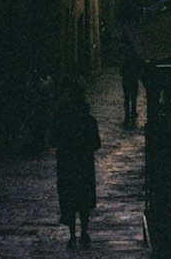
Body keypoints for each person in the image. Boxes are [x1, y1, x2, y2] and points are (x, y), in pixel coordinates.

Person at [52, 81, 101, 247]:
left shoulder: (61, 120)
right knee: (84, 200)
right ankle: (84, 232)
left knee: (69, 199)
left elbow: (52, 140)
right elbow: (96, 143)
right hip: (84, 165)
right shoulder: (89, 120)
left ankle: (72, 235)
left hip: (66, 165)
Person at [119, 40, 142, 125]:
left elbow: (121, 70)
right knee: (133, 97)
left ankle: (127, 114)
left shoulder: (125, 57)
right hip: (133, 78)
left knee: (127, 97)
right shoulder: (135, 56)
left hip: (126, 78)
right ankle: (132, 113)